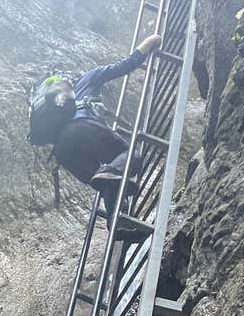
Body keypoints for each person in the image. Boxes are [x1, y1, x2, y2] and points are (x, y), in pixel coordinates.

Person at [53, 34, 162, 242]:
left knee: (107, 183)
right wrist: (149, 44)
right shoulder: (88, 77)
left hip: (64, 152)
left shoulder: (59, 105)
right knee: (131, 157)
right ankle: (109, 173)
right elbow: (124, 66)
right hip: (82, 126)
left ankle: (117, 224)